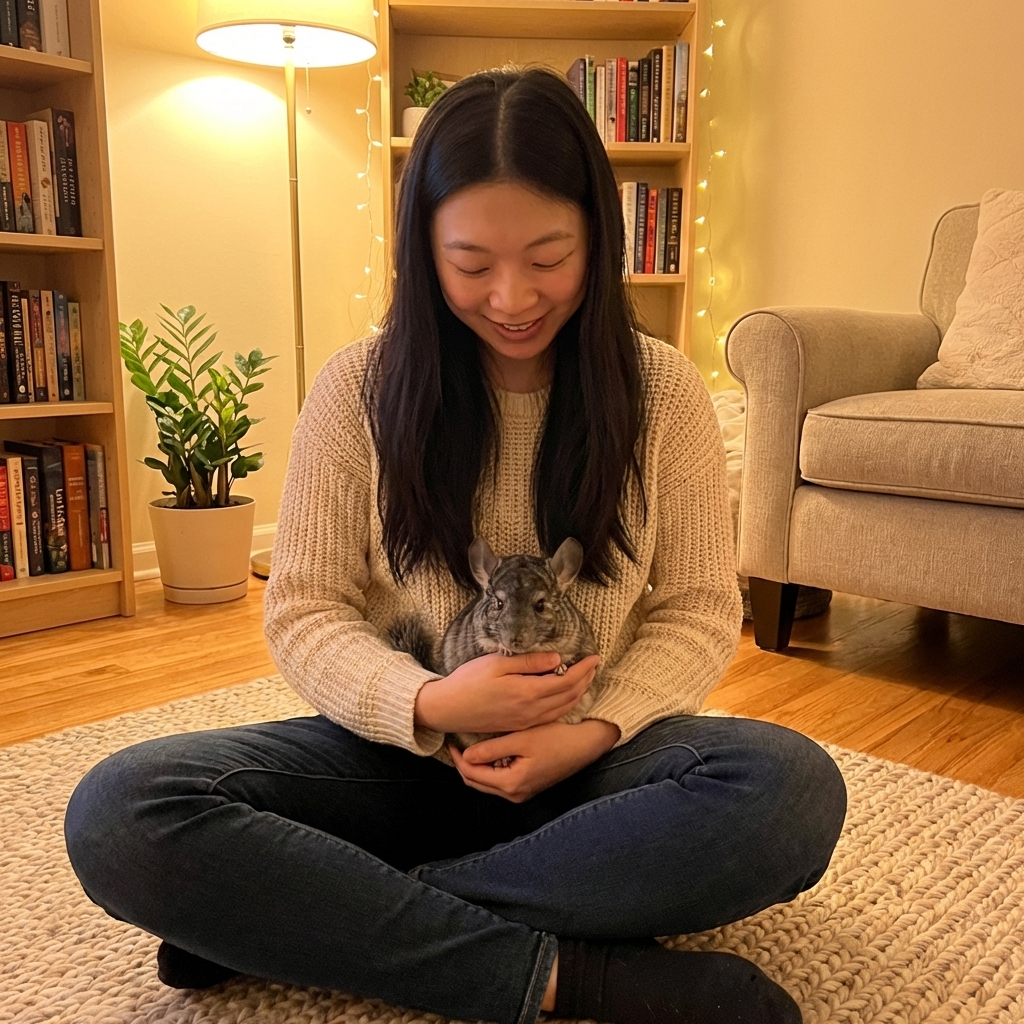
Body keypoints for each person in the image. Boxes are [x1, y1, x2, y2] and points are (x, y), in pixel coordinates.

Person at [64, 66, 847, 1024]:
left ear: (598, 240)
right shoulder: (359, 389)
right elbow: (306, 608)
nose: (513, 297)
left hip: (592, 768)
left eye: (548, 256)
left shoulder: (663, 392)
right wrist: (429, 699)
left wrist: (590, 731)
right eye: (471, 264)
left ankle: (300, 910)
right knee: (124, 811)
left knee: (789, 792)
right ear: (422, 253)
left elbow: (693, 609)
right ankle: (574, 975)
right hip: (402, 754)